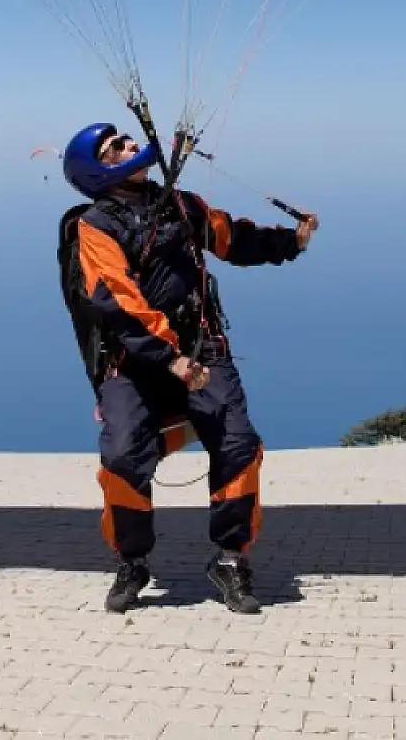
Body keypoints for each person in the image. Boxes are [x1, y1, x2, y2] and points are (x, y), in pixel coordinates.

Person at [61, 122, 318, 614]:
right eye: (116, 146)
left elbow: (232, 239)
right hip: (137, 359)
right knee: (121, 455)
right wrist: (170, 358)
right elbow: (115, 299)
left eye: (127, 139)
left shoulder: (180, 204)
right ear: (97, 169)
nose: (131, 145)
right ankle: (132, 561)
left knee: (239, 445)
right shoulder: (94, 226)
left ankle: (229, 561)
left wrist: (291, 242)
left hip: (202, 348)